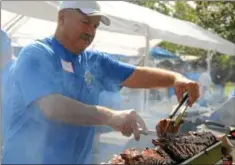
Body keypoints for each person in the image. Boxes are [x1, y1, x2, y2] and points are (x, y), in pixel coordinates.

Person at [1, 1, 199, 164]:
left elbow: (136, 75)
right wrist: (110, 116)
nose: (91, 31)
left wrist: (176, 79)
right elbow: (52, 107)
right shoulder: (37, 54)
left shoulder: (93, 60)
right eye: (85, 22)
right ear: (62, 18)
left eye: (95, 26)